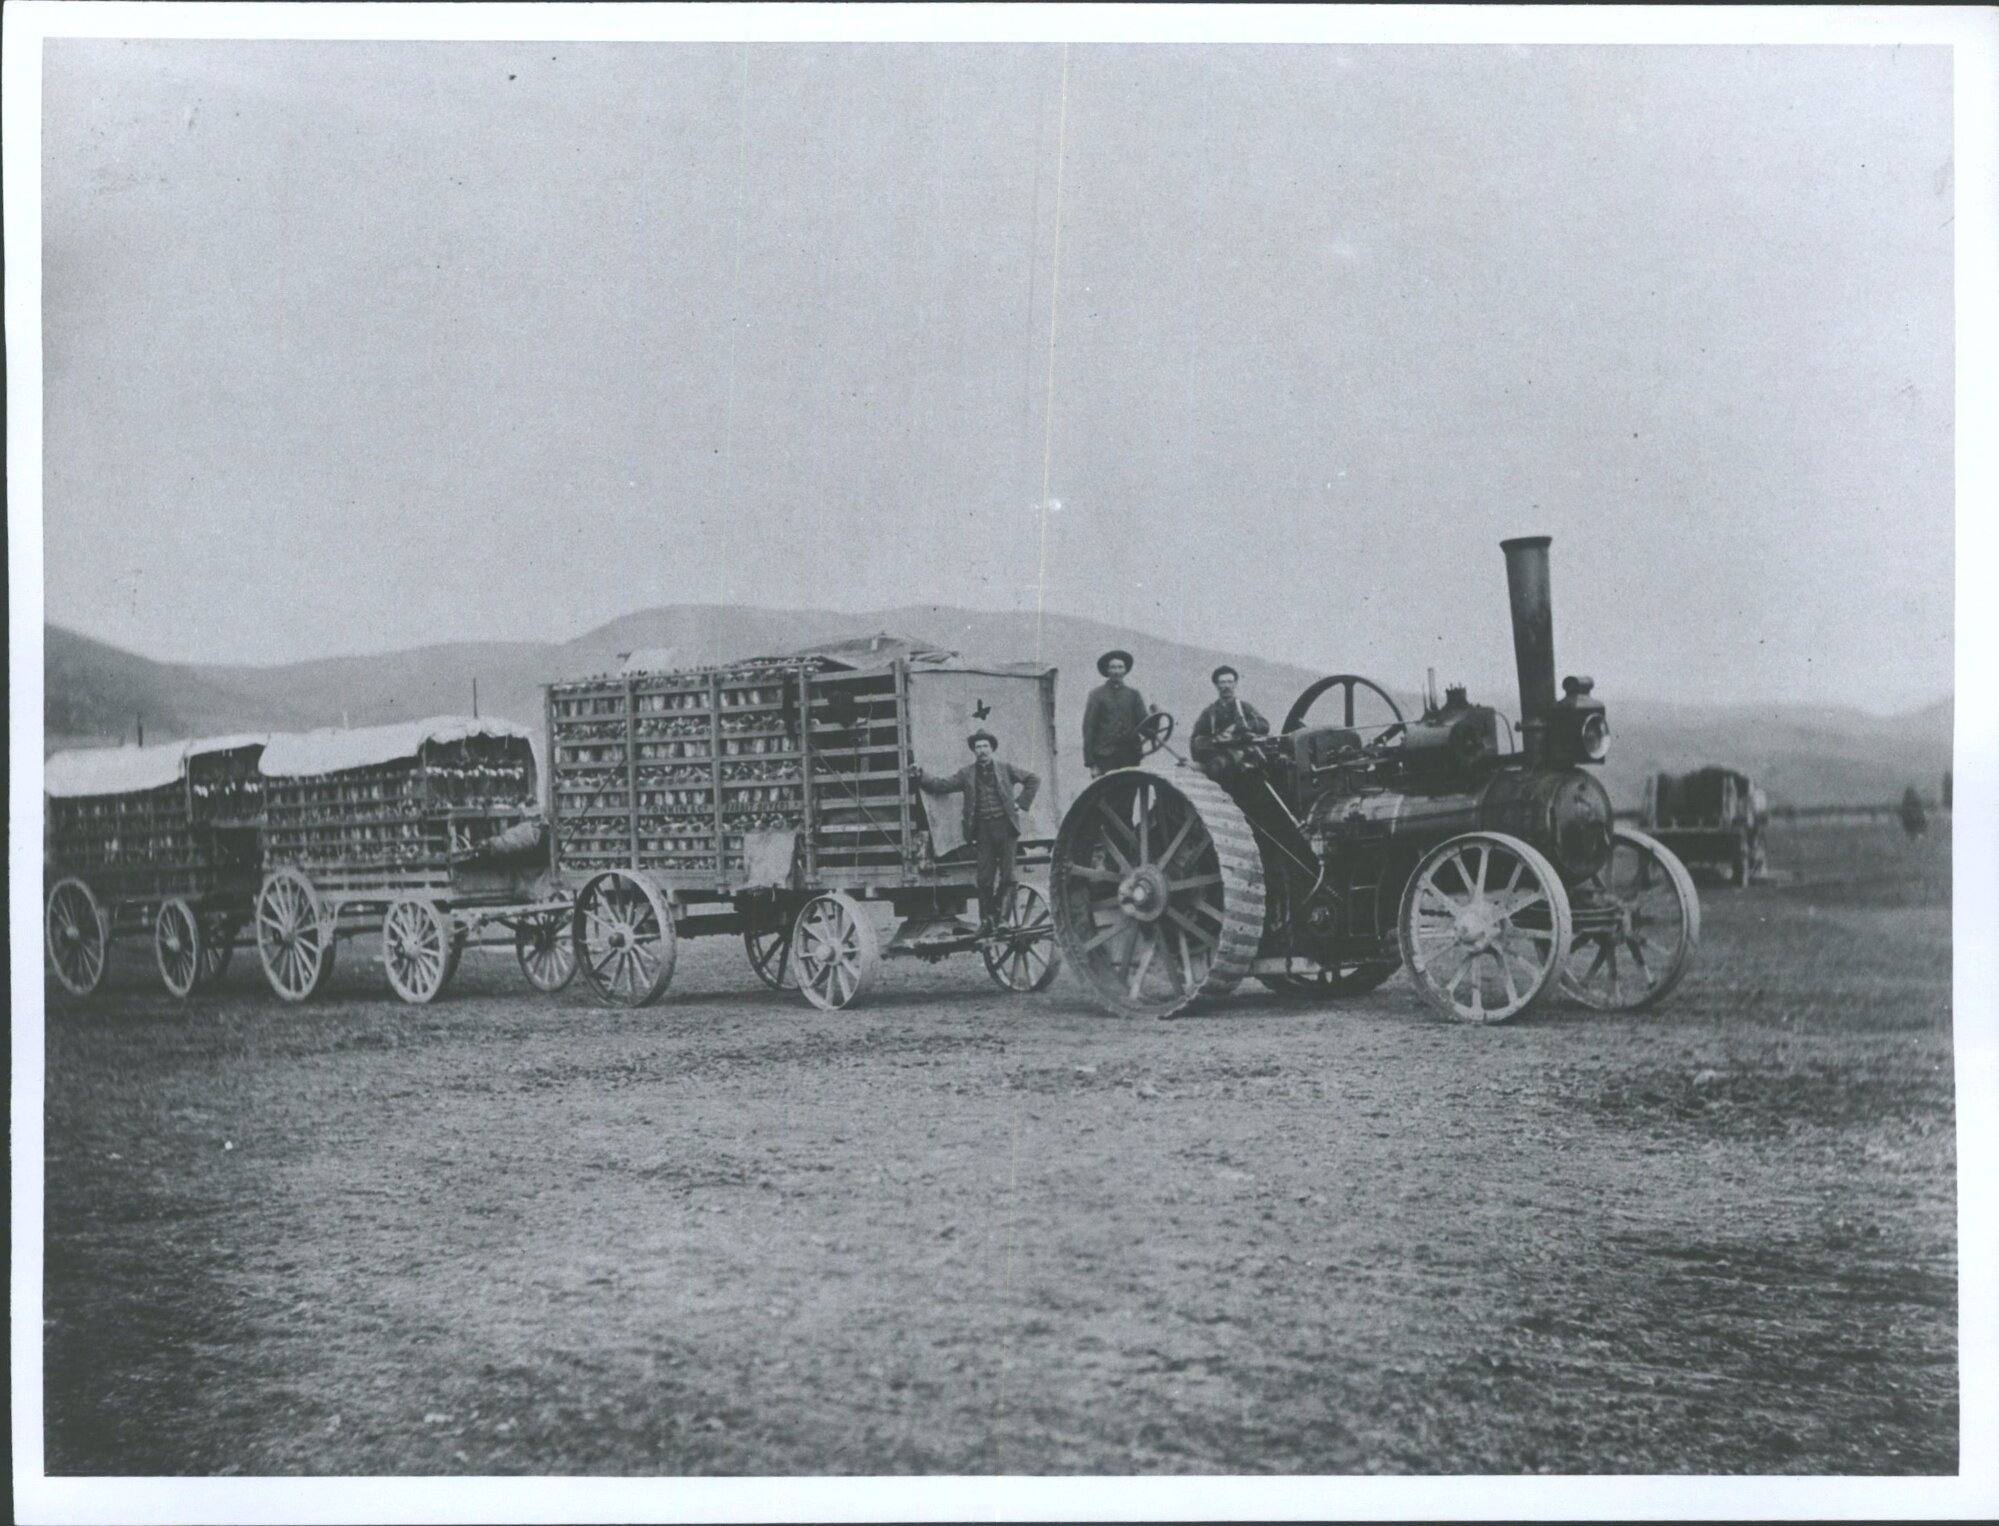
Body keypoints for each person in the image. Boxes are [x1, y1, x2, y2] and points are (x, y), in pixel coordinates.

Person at [912, 731, 1041, 935]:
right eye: (978, 747)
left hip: (1006, 828)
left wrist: (1021, 804)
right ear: (974, 751)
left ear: (992, 749)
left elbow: (1033, 779)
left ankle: (1003, 920)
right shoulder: (967, 773)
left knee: (1008, 876)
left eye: (985, 746)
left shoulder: (1005, 769)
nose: (982, 750)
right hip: (983, 831)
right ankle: (986, 921)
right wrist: (921, 775)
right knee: (984, 878)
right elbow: (942, 785)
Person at [1189, 665, 1271, 782]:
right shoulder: (1209, 713)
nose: (1226, 686)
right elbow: (1195, 740)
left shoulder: (1244, 707)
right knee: (1216, 767)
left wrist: (1238, 727)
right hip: (1219, 758)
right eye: (1222, 682)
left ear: (1235, 684)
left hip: (1244, 754)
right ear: (1216, 685)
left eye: (1229, 682)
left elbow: (1264, 725)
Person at [1083, 649, 1152, 778]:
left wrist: (1155, 718)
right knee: (1106, 795)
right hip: (1105, 758)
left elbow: (1145, 726)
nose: (1117, 671)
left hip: (1130, 756)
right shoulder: (1097, 695)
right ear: (1107, 671)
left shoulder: (1133, 695)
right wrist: (1091, 764)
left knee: (1128, 795)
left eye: (1120, 667)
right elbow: (1088, 729)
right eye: (1113, 667)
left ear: (1125, 670)